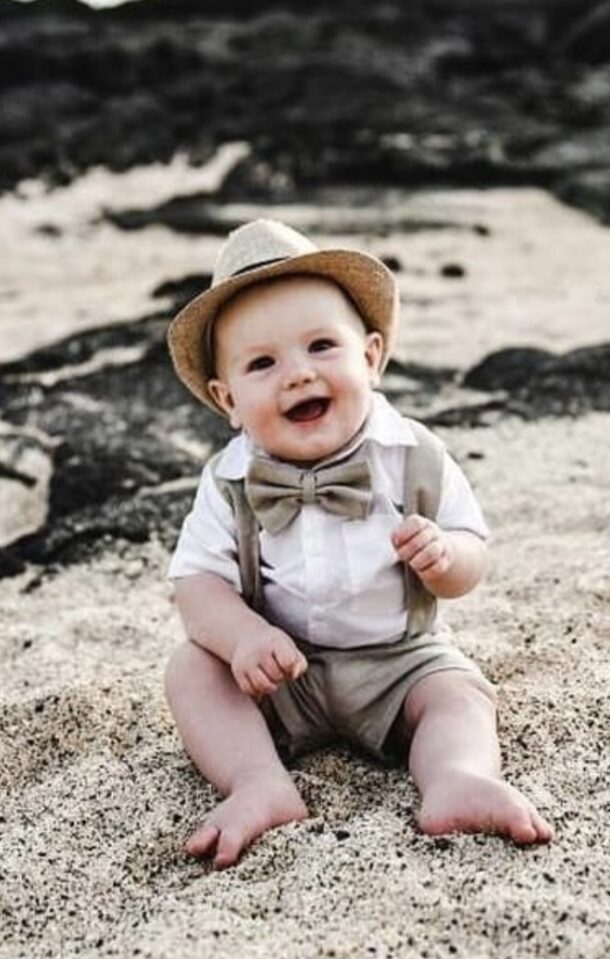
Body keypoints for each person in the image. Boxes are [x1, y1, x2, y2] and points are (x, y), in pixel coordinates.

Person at [164, 219, 554, 868]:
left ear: (370, 357)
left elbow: (472, 552)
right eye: (263, 363)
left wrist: (445, 558)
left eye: (321, 346)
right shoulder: (227, 482)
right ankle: (257, 779)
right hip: (285, 672)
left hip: (400, 661)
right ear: (227, 398)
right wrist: (242, 639)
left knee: (459, 695)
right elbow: (196, 586)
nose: (297, 374)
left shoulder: (414, 455)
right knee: (191, 670)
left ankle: (456, 777)